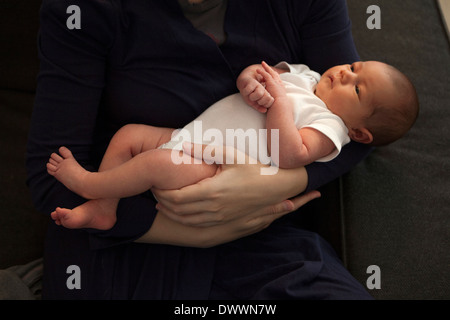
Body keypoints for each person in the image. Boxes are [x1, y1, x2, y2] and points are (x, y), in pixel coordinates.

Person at [26, 0, 380, 299]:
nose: (346, 75)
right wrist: (201, 231)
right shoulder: (82, 11)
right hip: (127, 233)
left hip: (259, 232)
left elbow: (361, 126)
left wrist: (274, 185)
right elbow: (50, 177)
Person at [46, 60, 418, 231]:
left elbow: (288, 153)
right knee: (129, 134)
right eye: (354, 66)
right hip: (190, 134)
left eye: (355, 88)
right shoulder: (306, 74)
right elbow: (258, 72)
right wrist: (249, 81)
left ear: (360, 133)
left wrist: (280, 104)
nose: (344, 73)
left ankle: (89, 184)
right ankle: (104, 208)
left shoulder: (330, 128)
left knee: (157, 164)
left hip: (217, 169)